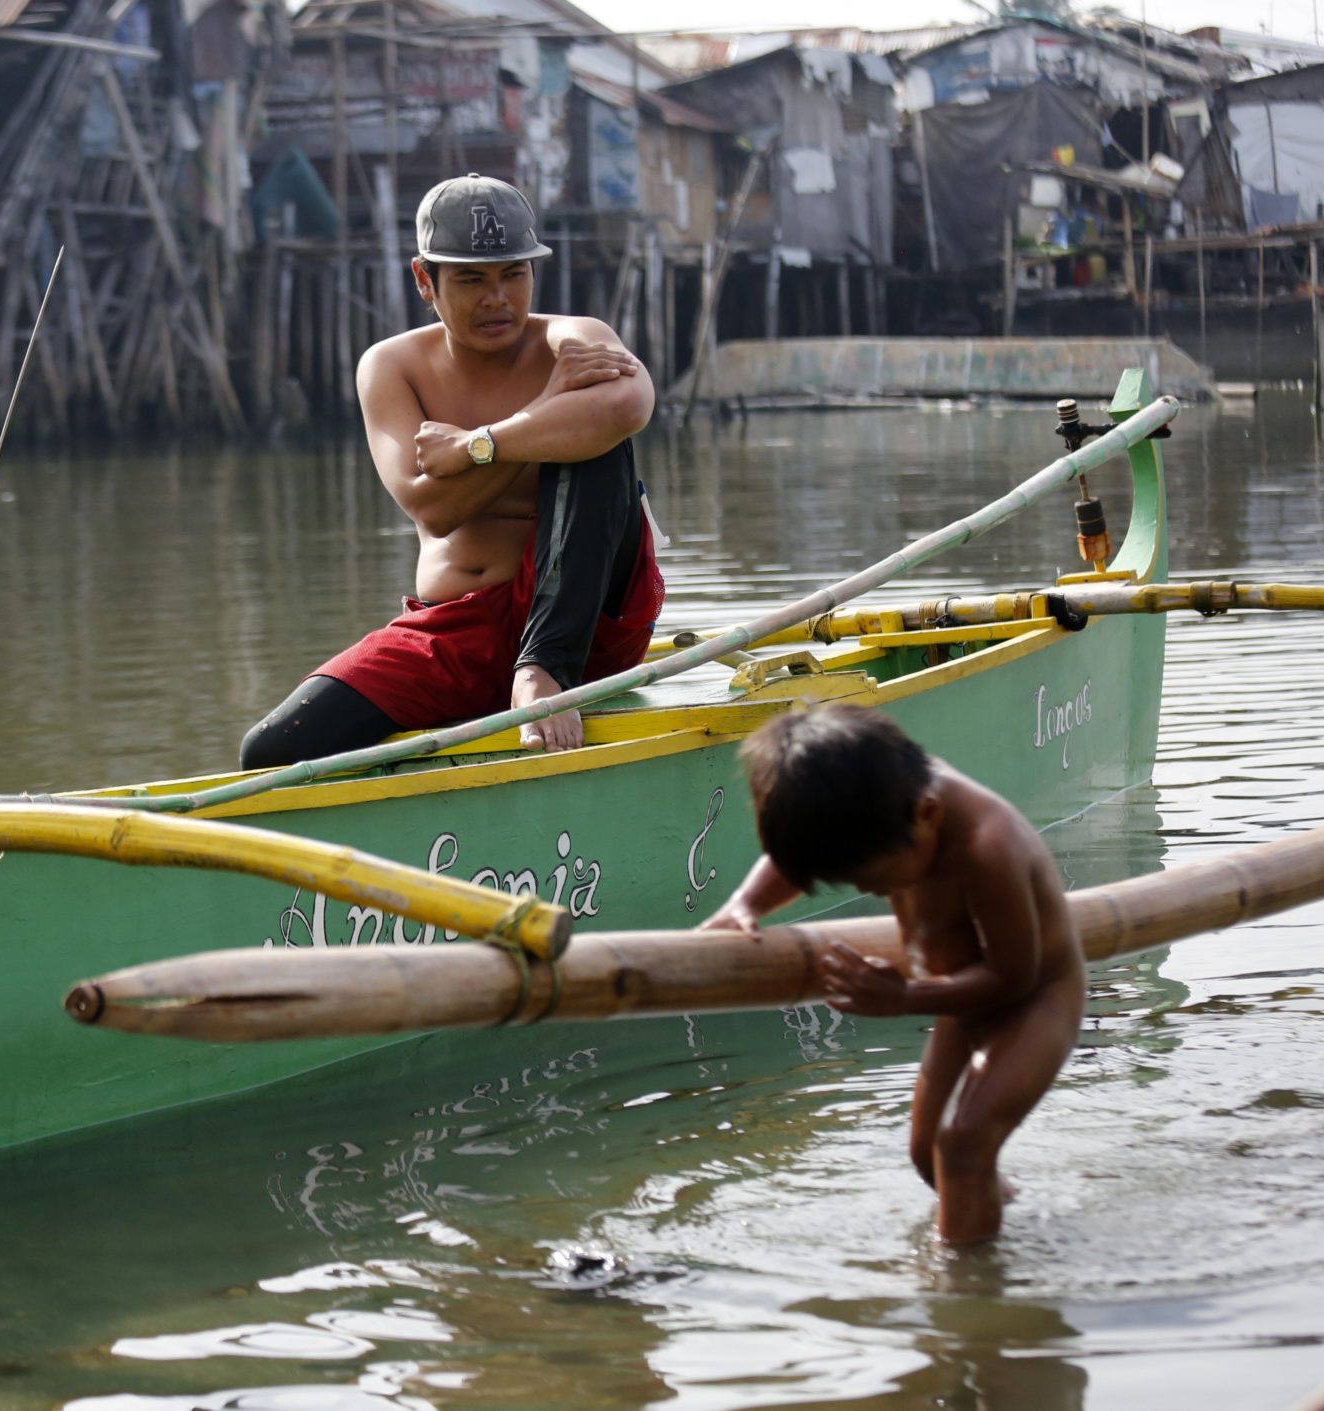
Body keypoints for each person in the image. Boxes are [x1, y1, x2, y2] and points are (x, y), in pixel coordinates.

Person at [240, 173, 664, 768]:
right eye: (470, 279)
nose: (498, 299)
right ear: (424, 280)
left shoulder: (572, 340)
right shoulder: (392, 366)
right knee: (271, 750)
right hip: (457, 629)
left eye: (513, 275)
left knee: (600, 440)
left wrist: (475, 446)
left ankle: (544, 667)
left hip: (583, 630)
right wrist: (545, 413)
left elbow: (629, 407)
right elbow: (433, 509)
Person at [701, 705, 1086, 1245]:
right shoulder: (878, 805)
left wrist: (904, 996)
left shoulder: (988, 846)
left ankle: (961, 1294)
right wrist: (745, 905)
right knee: (929, 1155)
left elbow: (1013, 976)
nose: (869, 893)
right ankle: (1002, 1227)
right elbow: (798, 856)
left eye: (874, 878)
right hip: (955, 998)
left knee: (963, 1142)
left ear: (927, 815)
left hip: (1033, 1001)